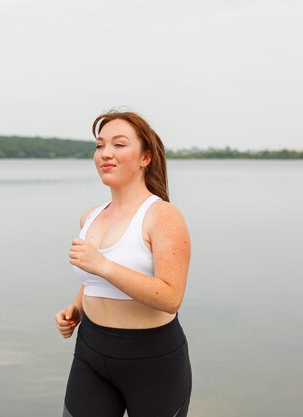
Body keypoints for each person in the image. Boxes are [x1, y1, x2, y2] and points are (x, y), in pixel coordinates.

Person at [55, 110, 192, 417]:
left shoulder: (163, 216)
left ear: (145, 158)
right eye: (100, 145)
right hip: (91, 354)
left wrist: (102, 265)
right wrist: (76, 308)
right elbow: (93, 277)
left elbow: (171, 298)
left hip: (153, 362)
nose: (106, 154)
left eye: (118, 145)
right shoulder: (90, 216)